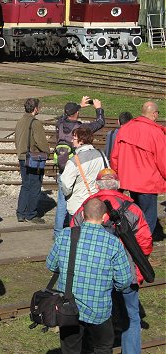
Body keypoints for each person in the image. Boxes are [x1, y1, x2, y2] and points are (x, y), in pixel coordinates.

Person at [70, 168, 153, 354]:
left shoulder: (87, 208)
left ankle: (92, 346)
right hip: (127, 271)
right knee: (131, 316)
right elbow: (145, 241)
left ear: (97, 185)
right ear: (118, 185)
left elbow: (73, 235)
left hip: (94, 273)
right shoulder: (132, 208)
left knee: (90, 314)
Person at [46, 198, 132, 354]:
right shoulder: (113, 243)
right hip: (98, 309)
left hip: (67, 306)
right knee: (102, 347)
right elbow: (124, 280)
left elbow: (51, 265)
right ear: (105, 217)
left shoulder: (66, 235)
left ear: (82, 215)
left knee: (70, 348)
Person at [111, 101, 166, 234]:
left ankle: (133, 241)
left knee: (135, 212)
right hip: (148, 182)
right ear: (154, 114)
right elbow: (163, 160)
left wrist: (117, 176)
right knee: (148, 216)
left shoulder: (125, 128)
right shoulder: (156, 132)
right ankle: (142, 247)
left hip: (128, 181)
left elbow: (115, 156)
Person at [54, 96, 105, 238]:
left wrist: (78, 106)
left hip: (62, 167)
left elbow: (63, 116)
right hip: (77, 166)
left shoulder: (59, 124)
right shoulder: (81, 129)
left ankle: (58, 233)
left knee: (62, 203)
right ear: (76, 113)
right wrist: (98, 108)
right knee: (77, 202)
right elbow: (100, 122)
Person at [15, 98, 51, 223]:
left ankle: (20, 213)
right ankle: (31, 214)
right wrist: (48, 152)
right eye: (38, 107)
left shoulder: (19, 121)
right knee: (35, 185)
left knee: (25, 185)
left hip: (22, 157)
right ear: (35, 108)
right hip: (33, 159)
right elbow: (41, 142)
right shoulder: (36, 123)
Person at [61, 126, 109, 218]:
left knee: (77, 231)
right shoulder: (101, 155)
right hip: (98, 204)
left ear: (81, 141)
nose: (72, 141)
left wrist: (68, 195)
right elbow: (107, 176)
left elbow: (66, 185)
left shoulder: (73, 161)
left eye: (74, 138)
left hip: (78, 206)